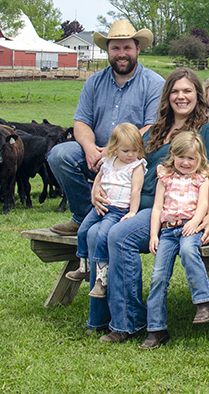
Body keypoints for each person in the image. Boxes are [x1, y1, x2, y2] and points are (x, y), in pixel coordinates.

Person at [89, 68, 209, 343]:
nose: (180, 96)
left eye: (187, 90)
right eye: (175, 91)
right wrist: (96, 185)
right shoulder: (156, 129)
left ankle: (129, 322)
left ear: (198, 96)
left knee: (120, 236)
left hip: (172, 212)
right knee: (95, 234)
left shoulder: (205, 131)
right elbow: (119, 158)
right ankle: (102, 318)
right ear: (167, 96)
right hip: (134, 204)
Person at [48, 20, 164, 236]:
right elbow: (81, 122)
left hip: (132, 158)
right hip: (97, 152)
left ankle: (116, 213)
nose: (122, 53)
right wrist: (90, 148)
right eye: (115, 48)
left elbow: (151, 127)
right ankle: (84, 215)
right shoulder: (94, 82)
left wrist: (112, 153)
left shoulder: (153, 83)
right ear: (108, 51)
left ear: (137, 49)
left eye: (127, 47)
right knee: (59, 155)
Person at [142, 130, 209, 350]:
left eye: (191, 158)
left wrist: (195, 222)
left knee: (189, 252)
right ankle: (156, 329)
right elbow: (157, 207)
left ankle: (203, 302)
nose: (186, 162)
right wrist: (154, 234)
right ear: (172, 154)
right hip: (167, 231)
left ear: (200, 158)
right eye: (181, 157)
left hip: (189, 228)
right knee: (158, 276)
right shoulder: (165, 176)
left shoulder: (202, 178)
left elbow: (203, 204)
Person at [64, 123, 146, 300]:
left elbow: (136, 191)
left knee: (102, 235)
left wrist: (132, 212)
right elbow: (100, 176)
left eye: (134, 150)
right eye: (126, 151)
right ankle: (84, 266)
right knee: (83, 230)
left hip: (118, 209)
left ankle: (102, 278)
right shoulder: (109, 162)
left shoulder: (136, 166)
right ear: (115, 148)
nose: (131, 154)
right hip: (102, 206)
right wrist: (97, 187)